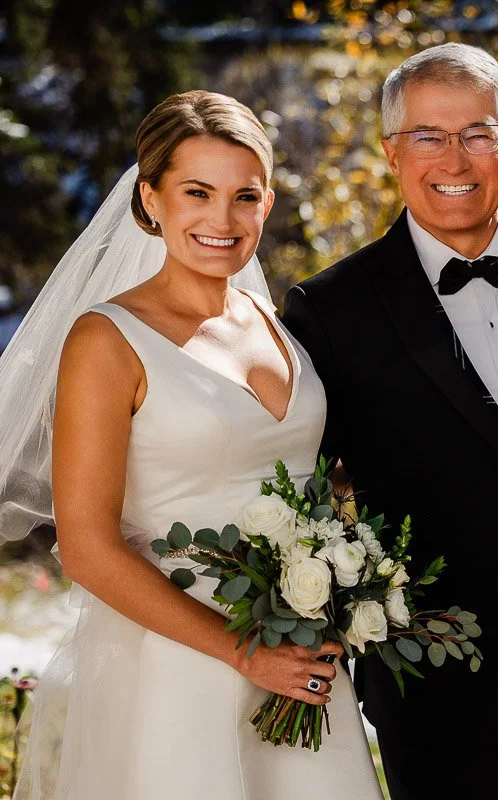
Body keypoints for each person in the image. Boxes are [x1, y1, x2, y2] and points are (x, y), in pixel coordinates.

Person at [0, 91, 383, 800]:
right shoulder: (107, 340)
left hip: (299, 659)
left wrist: (346, 575)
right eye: (196, 192)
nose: (222, 219)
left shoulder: (274, 321)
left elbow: (307, 481)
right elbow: (86, 547)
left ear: (267, 205)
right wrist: (247, 654)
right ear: (151, 199)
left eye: (245, 196)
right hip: (182, 662)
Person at [280, 43, 498, 799]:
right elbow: (305, 500)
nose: (455, 157)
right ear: (390, 152)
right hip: (436, 690)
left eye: (477, 132)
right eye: (427, 136)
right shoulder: (329, 309)